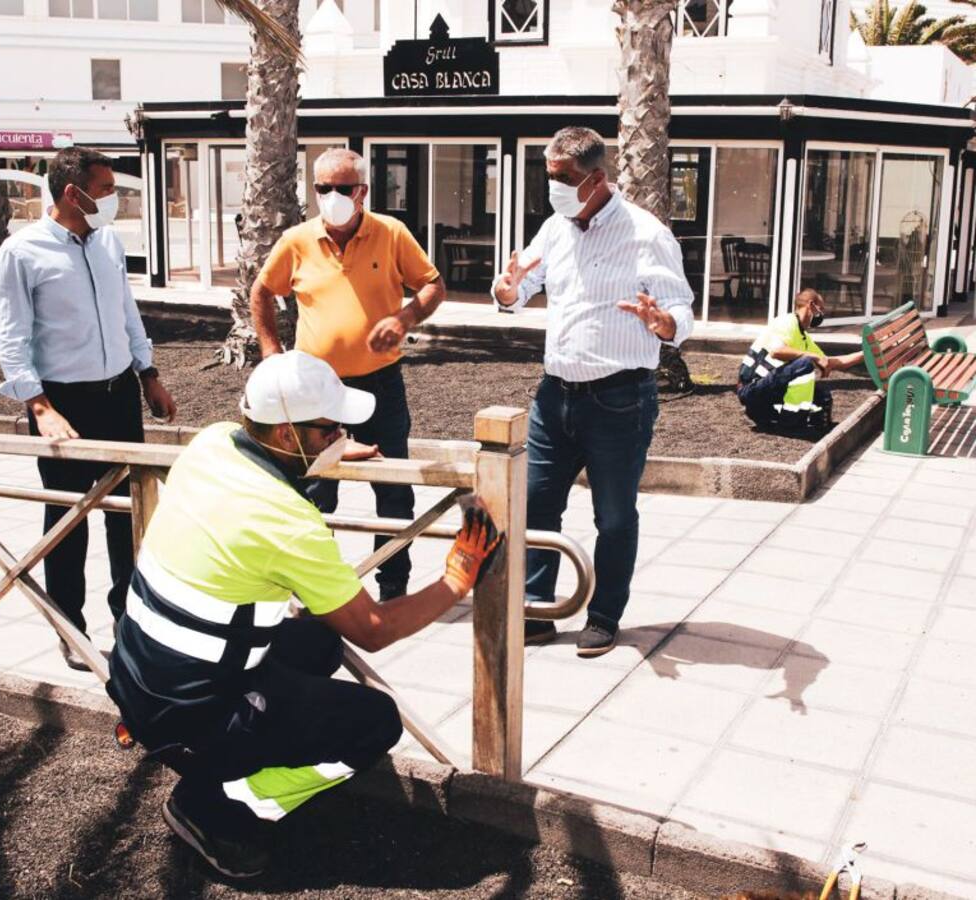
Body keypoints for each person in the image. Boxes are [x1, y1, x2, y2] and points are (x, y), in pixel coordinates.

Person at [106, 350, 501, 878]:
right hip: (183, 711)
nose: (339, 435)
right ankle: (217, 806)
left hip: (137, 674)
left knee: (320, 643)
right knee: (375, 721)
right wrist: (457, 578)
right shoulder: (287, 522)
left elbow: (267, 475)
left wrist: (322, 452)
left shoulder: (213, 443)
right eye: (328, 429)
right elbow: (374, 629)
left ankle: (223, 754)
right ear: (286, 434)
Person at [492, 126, 695, 656]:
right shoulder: (554, 229)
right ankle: (537, 610)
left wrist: (664, 324)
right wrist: (507, 290)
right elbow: (520, 287)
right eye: (549, 175)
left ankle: (603, 616)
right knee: (535, 505)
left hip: (619, 399)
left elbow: (681, 309)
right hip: (554, 395)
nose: (552, 187)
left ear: (597, 178)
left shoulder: (645, 234)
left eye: (563, 178)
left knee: (615, 515)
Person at [0, 146, 177, 671]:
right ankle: (69, 627)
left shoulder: (108, 241)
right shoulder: (21, 253)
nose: (114, 198)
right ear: (73, 194)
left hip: (119, 395)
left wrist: (149, 375)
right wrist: (39, 407)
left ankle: (130, 621)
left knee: (129, 517)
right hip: (63, 403)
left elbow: (126, 311)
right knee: (67, 520)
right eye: (106, 189)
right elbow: (9, 336)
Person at [250, 148, 447, 601]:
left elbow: (433, 284)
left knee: (393, 489)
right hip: (313, 392)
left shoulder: (391, 233)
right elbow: (261, 291)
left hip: (380, 385)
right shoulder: (297, 240)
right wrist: (271, 353)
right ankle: (315, 590)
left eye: (342, 188)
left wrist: (404, 319)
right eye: (323, 188)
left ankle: (392, 587)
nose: (332, 196)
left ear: (362, 192)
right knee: (316, 492)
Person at [737, 288, 864, 434]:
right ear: (811, 305)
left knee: (823, 397)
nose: (821, 315)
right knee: (804, 364)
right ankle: (791, 422)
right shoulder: (786, 322)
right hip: (751, 389)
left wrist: (865, 354)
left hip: (765, 393)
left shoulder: (802, 336)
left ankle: (778, 416)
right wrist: (812, 356)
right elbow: (776, 351)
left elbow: (829, 362)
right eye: (820, 309)